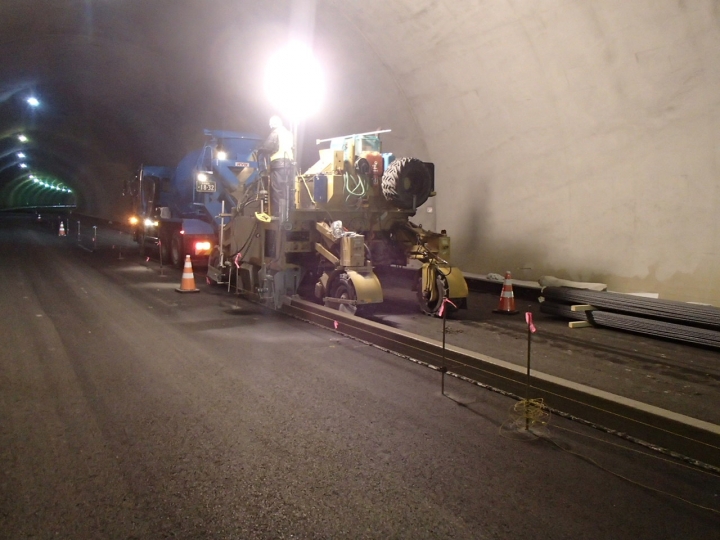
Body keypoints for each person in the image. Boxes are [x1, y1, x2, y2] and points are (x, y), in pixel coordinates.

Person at [258, 115, 294, 218]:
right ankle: (289, 213)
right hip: (289, 164)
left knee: (278, 189)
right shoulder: (288, 133)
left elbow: (268, 146)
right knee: (288, 189)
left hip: (278, 164)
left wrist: (260, 150)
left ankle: (279, 214)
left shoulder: (276, 132)